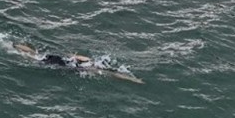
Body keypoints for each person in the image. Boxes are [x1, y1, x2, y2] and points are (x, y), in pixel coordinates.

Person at [11, 42, 143, 84]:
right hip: (62, 65)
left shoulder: (89, 61)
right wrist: (133, 80)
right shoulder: (91, 68)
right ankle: (16, 48)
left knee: (37, 56)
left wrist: (71, 55)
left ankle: (16, 46)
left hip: (61, 59)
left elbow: (76, 56)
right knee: (35, 58)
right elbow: (113, 74)